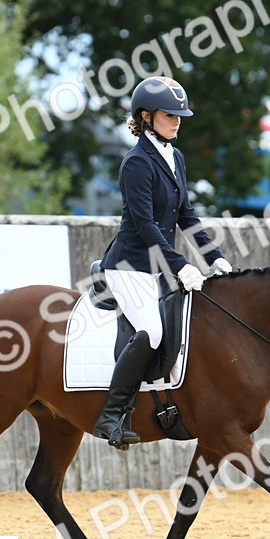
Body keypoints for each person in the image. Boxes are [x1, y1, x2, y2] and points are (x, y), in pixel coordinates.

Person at [92, 75, 232, 447]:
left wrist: (215, 258)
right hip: (129, 266)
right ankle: (111, 416)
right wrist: (181, 264)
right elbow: (145, 224)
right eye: (169, 115)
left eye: (179, 115)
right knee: (151, 332)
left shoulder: (176, 157)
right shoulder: (136, 163)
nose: (177, 121)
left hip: (158, 267)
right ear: (146, 116)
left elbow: (186, 215)